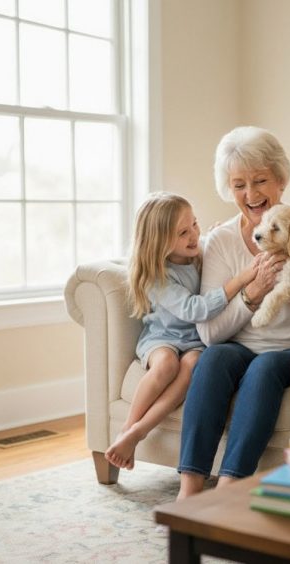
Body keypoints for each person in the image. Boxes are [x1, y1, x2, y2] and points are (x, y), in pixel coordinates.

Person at [177, 126, 290, 499]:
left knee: (265, 367)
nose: (251, 195)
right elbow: (210, 333)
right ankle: (189, 489)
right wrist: (253, 293)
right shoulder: (222, 240)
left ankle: (229, 488)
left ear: (281, 180)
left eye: (261, 180)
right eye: (238, 185)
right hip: (239, 345)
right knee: (213, 358)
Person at [105, 192, 256, 470]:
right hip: (162, 338)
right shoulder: (156, 275)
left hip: (196, 341)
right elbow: (193, 309)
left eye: (195, 225)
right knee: (165, 366)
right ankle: (127, 429)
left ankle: (139, 432)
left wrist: (213, 236)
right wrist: (240, 281)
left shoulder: (199, 254)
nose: (193, 235)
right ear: (159, 242)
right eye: (183, 232)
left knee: (192, 365)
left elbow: (215, 244)